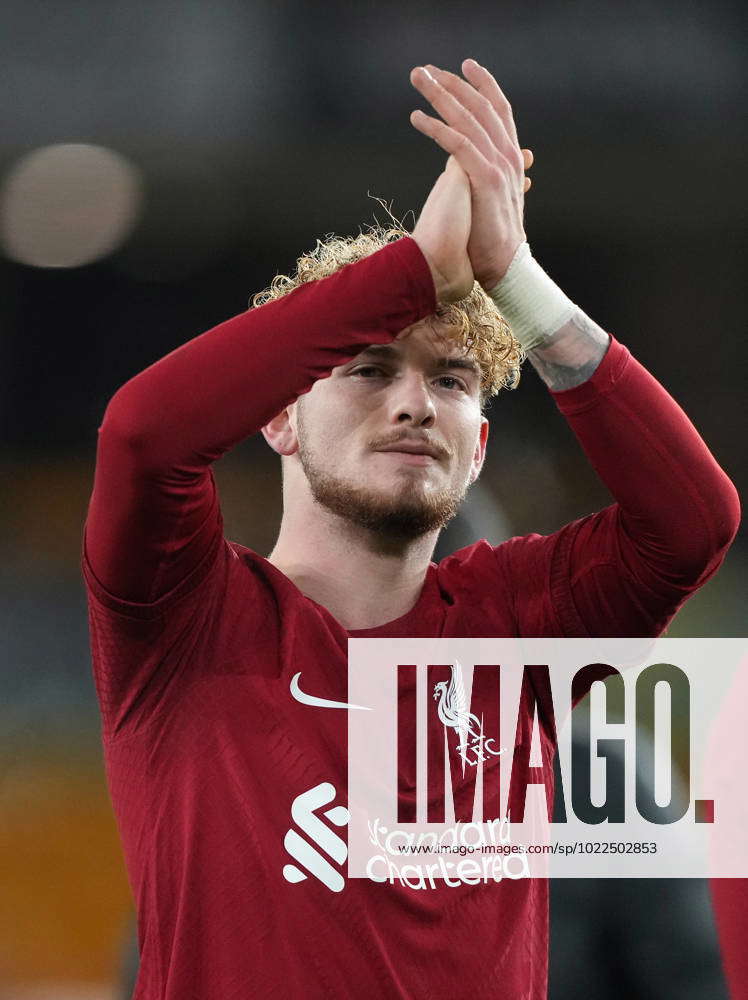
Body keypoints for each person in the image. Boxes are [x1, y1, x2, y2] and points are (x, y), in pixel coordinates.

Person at [81, 59, 739, 999]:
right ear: (276, 418)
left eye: (452, 380)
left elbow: (693, 522)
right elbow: (144, 438)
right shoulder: (182, 616)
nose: (415, 406)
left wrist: (517, 283)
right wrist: (415, 275)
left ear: (478, 450)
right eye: (367, 369)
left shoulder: (518, 632)